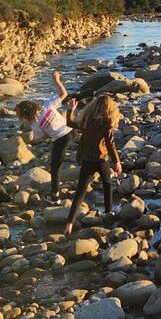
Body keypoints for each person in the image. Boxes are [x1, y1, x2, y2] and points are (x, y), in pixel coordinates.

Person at [63, 93, 121, 236]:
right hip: (101, 160)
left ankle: (69, 223)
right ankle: (108, 212)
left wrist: (71, 109)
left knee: (80, 192)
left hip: (87, 160)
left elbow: (70, 123)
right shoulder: (106, 123)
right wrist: (117, 161)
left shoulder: (86, 121)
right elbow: (110, 144)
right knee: (107, 184)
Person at [14, 70, 75, 198]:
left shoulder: (34, 125)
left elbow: (43, 137)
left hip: (61, 139)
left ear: (25, 115)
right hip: (72, 131)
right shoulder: (47, 105)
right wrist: (57, 80)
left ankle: (55, 196)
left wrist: (44, 133)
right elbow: (64, 94)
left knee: (55, 167)